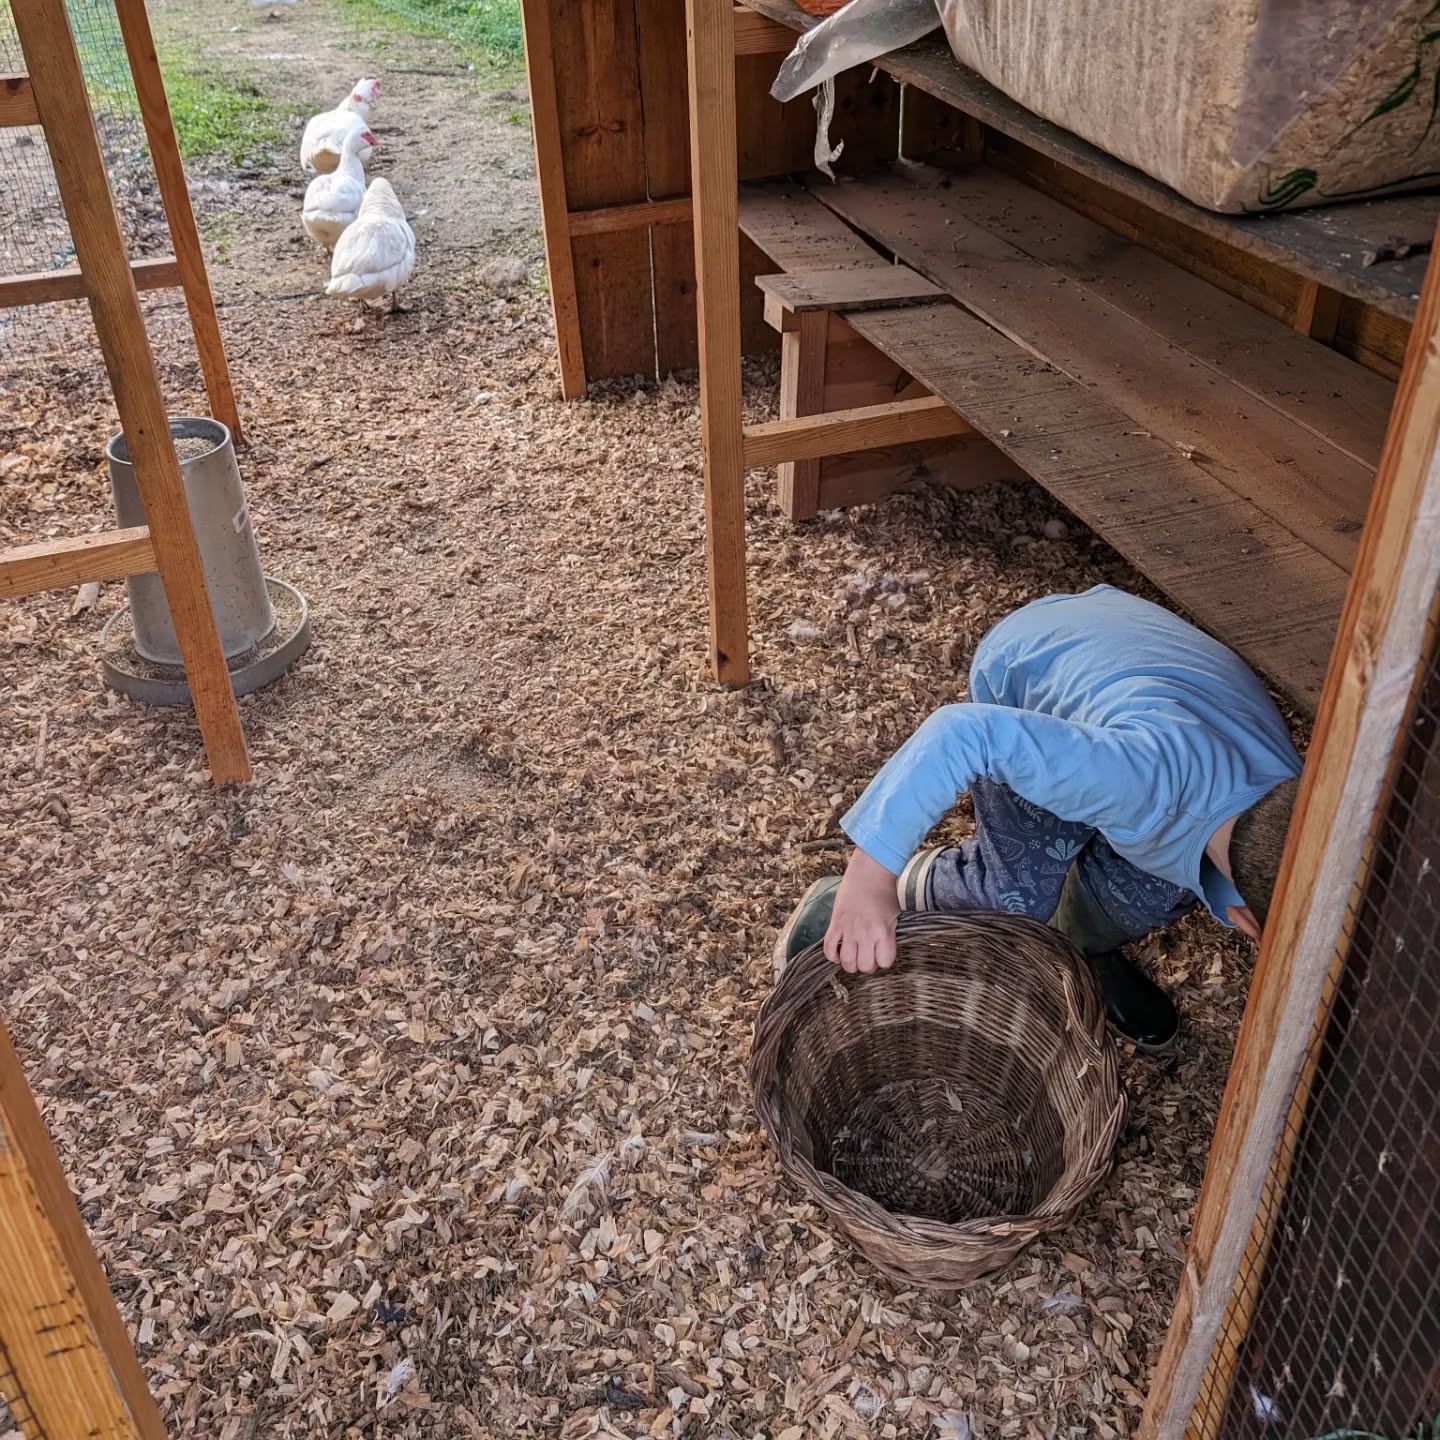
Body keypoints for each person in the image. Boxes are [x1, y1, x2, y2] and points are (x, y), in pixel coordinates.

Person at [774, 585, 1302, 1052]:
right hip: (1033, 667)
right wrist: (869, 882)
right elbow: (961, 734)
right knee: (1015, 895)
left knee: (1156, 892)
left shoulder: (1300, 798)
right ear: (1248, 926)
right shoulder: (1143, 785)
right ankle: (846, 902)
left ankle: (1075, 947)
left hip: (1130, 653)